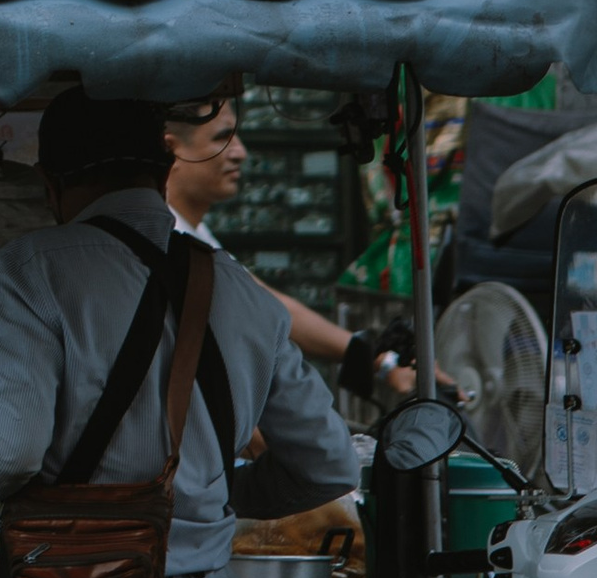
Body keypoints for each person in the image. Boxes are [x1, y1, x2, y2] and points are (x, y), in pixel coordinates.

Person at [0, 86, 358, 578]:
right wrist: (211, 496)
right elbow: (327, 463)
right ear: (163, 169)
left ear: (50, 182)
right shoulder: (240, 288)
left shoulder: (34, 266)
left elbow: (9, 452)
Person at [165, 93, 419, 399]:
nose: (240, 153)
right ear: (172, 150)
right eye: (222, 138)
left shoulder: (193, 231)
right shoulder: (172, 240)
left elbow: (266, 303)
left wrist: (377, 358)